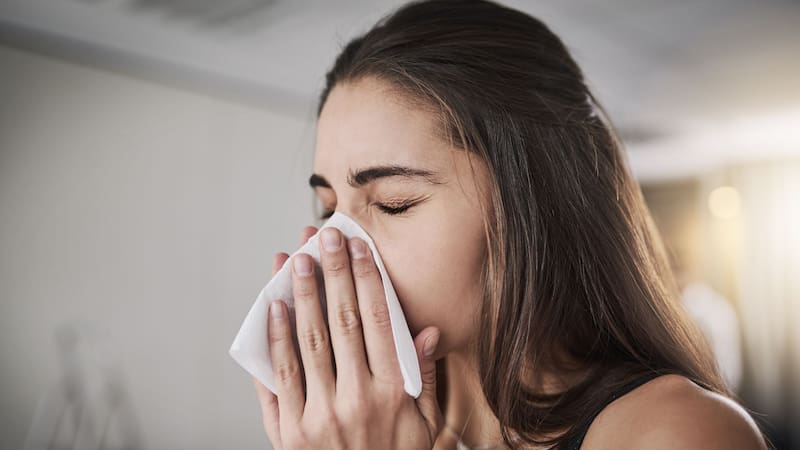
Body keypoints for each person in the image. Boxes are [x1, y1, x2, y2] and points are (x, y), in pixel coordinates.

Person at [252, 0, 769, 448]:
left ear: (531, 205)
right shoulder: (371, 424)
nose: (331, 248)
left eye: (394, 202)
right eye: (328, 209)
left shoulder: (673, 433)